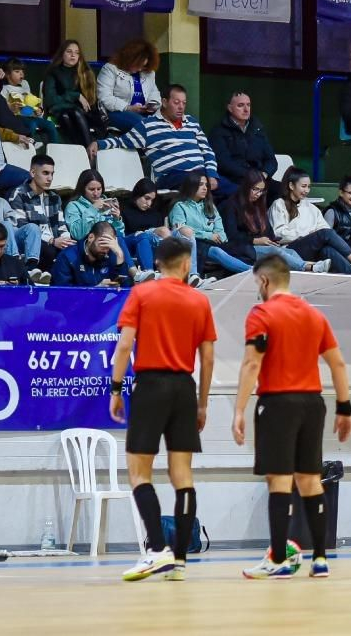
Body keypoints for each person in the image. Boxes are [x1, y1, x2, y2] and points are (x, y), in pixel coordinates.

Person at [235, 256, 351, 580]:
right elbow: (338, 364)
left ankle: (277, 559)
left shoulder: (261, 313)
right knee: (310, 481)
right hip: (313, 404)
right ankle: (319, 559)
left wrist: (238, 409)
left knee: (279, 481)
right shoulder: (314, 315)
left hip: (278, 403)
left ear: (264, 282)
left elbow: (251, 364)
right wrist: (345, 408)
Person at [109, 234, 216, 581]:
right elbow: (208, 356)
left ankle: (156, 550)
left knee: (139, 472)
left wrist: (115, 388)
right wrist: (201, 403)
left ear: (157, 263)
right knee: (182, 475)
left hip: (151, 386)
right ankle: (181, 559)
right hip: (184, 387)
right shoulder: (199, 301)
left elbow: (125, 346)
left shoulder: (142, 293)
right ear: (187, 265)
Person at [90, 84, 219, 192]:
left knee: (233, 191)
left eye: (184, 103)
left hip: (202, 175)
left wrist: (212, 175)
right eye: (176, 102)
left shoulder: (192, 122)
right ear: (164, 102)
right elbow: (121, 142)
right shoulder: (148, 126)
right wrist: (98, 144)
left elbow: (207, 152)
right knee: (196, 182)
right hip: (172, 176)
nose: (181, 107)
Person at [270, 168, 351, 276]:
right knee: (325, 233)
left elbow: (323, 229)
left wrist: (314, 236)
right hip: (289, 251)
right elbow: (278, 233)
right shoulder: (279, 204)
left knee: (327, 250)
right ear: (291, 185)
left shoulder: (311, 208)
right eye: (303, 186)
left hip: (311, 250)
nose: (307, 190)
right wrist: (307, 235)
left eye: (309, 187)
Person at [167, 170, 250, 278]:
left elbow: (218, 225)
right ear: (191, 185)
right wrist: (208, 235)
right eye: (201, 184)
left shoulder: (209, 205)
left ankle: (251, 269)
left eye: (206, 185)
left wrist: (221, 236)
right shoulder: (180, 206)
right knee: (216, 251)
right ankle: (251, 271)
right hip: (194, 244)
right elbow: (180, 231)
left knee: (242, 249)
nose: (205, 188)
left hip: (215, 241)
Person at [222, 171, 305, 273]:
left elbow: (268, 230)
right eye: (255, 189)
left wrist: (272, 240)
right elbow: (231, 235)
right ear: (246, 187)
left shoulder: (259, 205)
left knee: (290, 252)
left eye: (261, 190)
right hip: (243, 247)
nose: (258, 194)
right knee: (274, 252)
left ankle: (304, 273)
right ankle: (307, 267)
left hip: (261, 246)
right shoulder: (231, 205)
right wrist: (254, 241)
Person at [7, 154, 75, 269]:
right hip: (31, 244)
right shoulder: (19, 194)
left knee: (75, 250)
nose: (50, 178)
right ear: (33, 173)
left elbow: (61, 226)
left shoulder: (54, 197)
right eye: (45, 173)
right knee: (49, 251)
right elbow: (21, 227)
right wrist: (51, 240)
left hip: (55, 243)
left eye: (52, 174)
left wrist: (66, 241)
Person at [209, 92, 279, 199]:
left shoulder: (257, 128)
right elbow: (224, 163)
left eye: (248, 105)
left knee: (284, 191)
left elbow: (271, 160)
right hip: (235, 180)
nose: (246, 109)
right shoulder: (219, 131)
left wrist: (264, 174)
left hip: (261, 179)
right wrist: (251, 177)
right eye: (240, 105)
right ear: (230, 108)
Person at [45, 39, 105, 147]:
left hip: (86, 114)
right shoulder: (53, 73)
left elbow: (89, 104)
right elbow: (50, 101)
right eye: (69, 51)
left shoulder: (85, 73)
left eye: (77, 53)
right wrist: (75, 96)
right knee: (65, 115)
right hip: (62, 112)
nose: (73, 55)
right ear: (62, 54)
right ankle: (84, 151)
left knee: (74, 113)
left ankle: (87, 149)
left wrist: (68, 101)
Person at [97, 39, 162, 135]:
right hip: (117, 113)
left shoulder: (149, 73)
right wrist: (128, 107)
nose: (140, 69)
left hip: (144, 113)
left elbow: (154, 93)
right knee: (144, 125)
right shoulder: (110, 69)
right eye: (138, 65)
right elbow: (104, 98)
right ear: (129, 59)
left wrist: (152, 105)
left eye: (143, 66)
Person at [53, 220, 129, 287]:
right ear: (91, 237)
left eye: (108, 247)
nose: (105, 251)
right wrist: (96, 290)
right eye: (102, 244)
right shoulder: (68, 256)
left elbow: (125, 290)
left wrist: (120, 255)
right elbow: (62, 294)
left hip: (105, 302)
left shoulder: (110, 255)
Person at [1, 60, 56, 142]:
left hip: (30, 115)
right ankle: (31, 144)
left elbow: (31, 101)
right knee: (32, 124)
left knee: (50, 125)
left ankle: (54, 147)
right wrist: (11, 107)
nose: (21, 74)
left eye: (22, 71)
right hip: (17, 117)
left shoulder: (25, 84)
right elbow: (3, 108)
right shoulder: (4, 88)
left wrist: (39, 110)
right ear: (8, 75)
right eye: (17, 71)